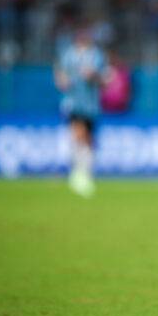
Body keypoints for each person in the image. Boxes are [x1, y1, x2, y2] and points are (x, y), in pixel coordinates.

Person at [53, 26, 106, 197]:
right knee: (78, 134)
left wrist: (94, 76)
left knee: (88, 139)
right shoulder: (69, 54)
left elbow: (104, 79)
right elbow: (60, 72)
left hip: (91, 104)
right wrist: (62, 81)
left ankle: (84, 173)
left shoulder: (96, 55)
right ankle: (77, 174)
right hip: (74, 102)